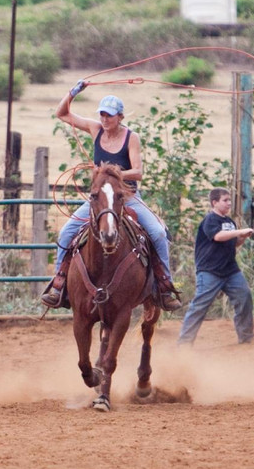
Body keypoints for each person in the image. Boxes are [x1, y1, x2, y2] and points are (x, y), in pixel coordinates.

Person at [41, 81, 182, 311]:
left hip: (126, 196)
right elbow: (62, 113)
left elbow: (138, 172)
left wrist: (113, 174)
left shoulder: (131, 138)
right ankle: (60, 284)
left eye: (110, 115)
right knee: (67, 231)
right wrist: (75, 91)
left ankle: (164, 285)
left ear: (120, 117)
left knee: (157, 232)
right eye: (103, 115)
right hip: (99, 199)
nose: (105, 119)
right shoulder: (96, 129)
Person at [177, 187, 254, 346]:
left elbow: (234, 243)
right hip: (209, 271)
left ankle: (246, 338)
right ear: (214, 202)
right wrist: (239, 231)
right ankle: (184, 344)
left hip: (230, 270)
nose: (229, 203)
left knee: (244, 297)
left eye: (229, 200)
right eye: (225, 200)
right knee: (199, 306)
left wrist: (243, 237)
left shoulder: (229, 222)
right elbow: (218, 237)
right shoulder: (210, 220)